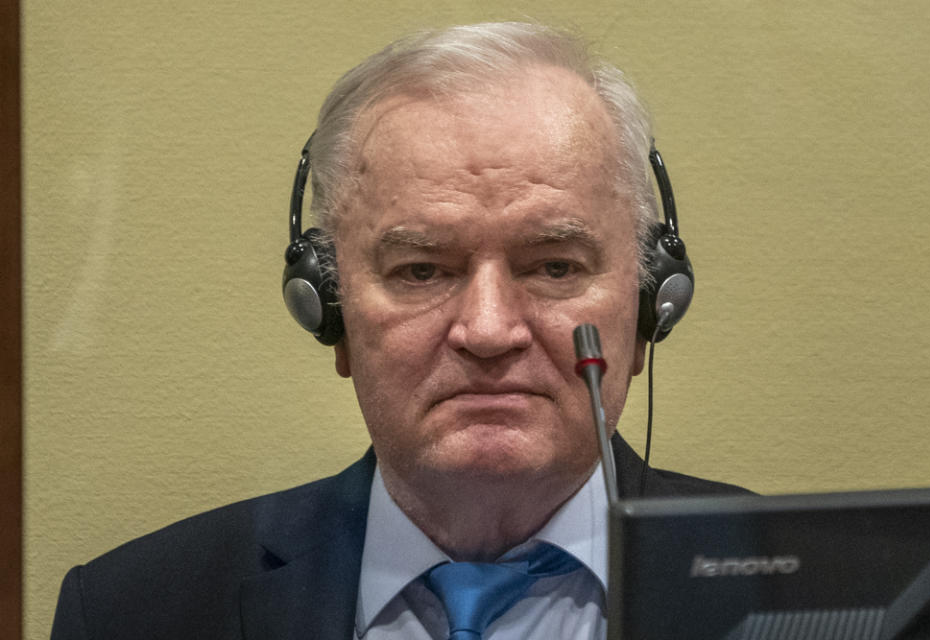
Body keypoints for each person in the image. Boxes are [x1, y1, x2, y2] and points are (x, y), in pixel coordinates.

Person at [51, 22, 747, 640]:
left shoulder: (817, 582)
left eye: (555, 266)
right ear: (329, 307)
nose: (488, 330)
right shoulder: (130, 611)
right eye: (421, 271)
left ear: (651, 301)